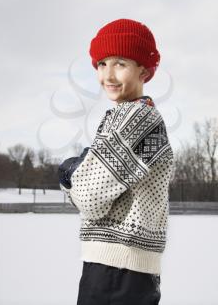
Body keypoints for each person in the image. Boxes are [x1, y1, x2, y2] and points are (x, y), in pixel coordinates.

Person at [58, 18, 174, 305]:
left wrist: (70, 174)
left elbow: (88, 198)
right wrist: (82, 174)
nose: (108, 74)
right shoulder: (127, 116)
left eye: (120, 63)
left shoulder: (137, 119)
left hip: (119, 267)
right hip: (120, 267)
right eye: (101, 64)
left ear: (144, 70)